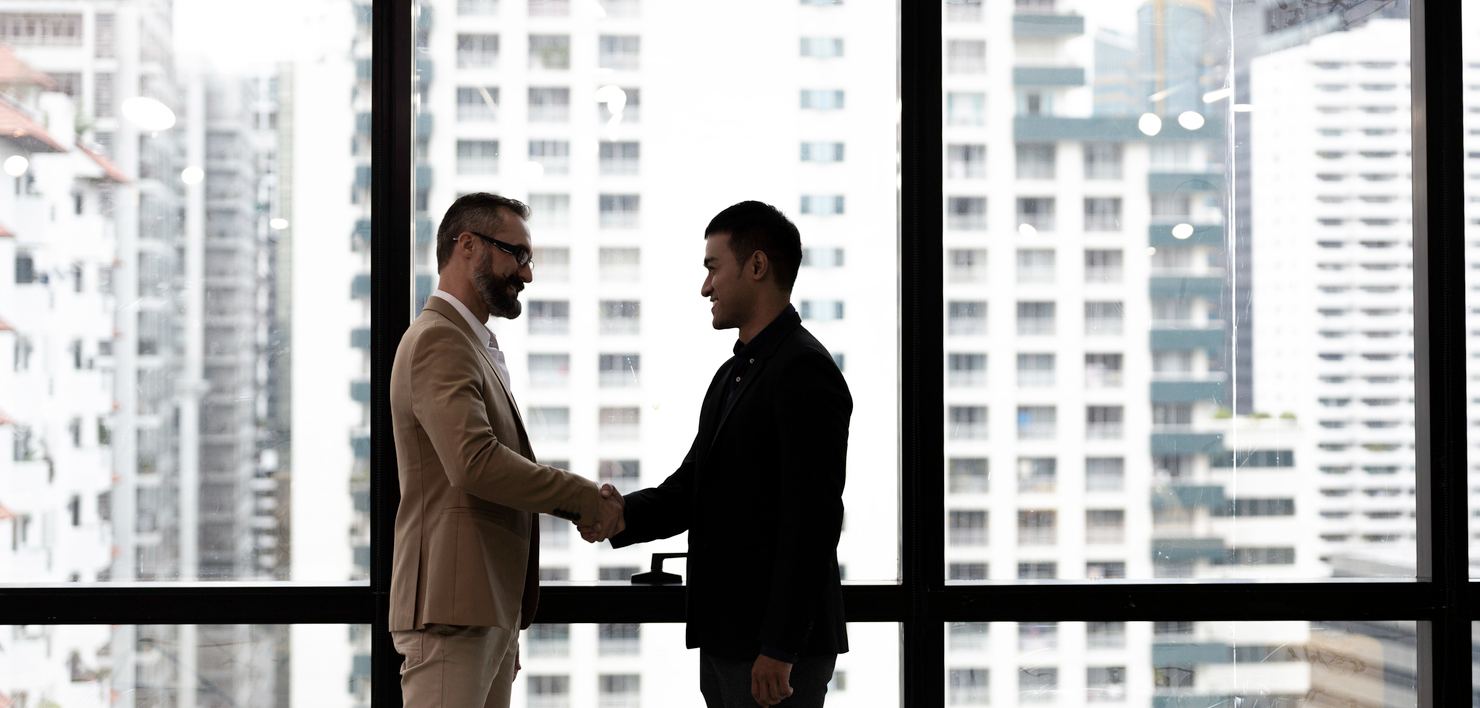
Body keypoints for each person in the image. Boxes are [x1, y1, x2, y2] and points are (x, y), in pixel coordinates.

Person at [581, 200, 852, 708]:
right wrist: (621, 515)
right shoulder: (732, 376)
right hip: (730, 641)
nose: (705, 287)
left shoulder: (804, 372)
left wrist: (780, 646)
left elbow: (812, 522)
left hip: (772, 655)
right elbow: (691, 488)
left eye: (712, 268)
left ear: (756, 266)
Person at [389, 192, 625, 707]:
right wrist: (586, 499)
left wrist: (505, 620)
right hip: (452, 614)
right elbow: (474, 463)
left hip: (481, 610)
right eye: (516, 254)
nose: (527, 273)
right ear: (467, 246)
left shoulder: (472, 345)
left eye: (529, 259)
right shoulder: (440, 341)